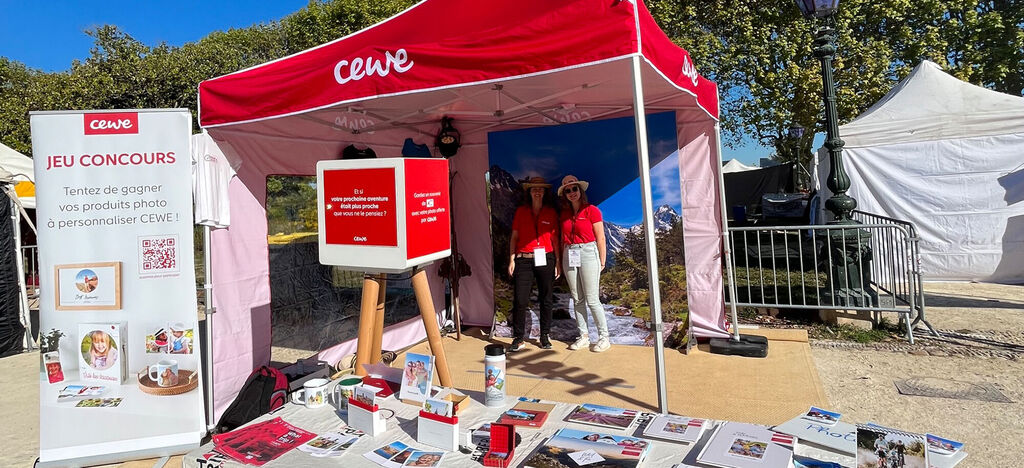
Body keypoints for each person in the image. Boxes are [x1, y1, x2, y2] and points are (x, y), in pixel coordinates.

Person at [557, 175, 609, 352]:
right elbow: (561, 239)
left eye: (574, 189)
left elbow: (600, 237)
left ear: (580, 190)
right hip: (569, 253)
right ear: (564, 194)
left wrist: (602, 260)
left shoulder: (592, 210)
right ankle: (584, 336)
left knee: (592, 299)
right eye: (568, 190)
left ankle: (604, 337)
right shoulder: (564, 214)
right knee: (577, 298)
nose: (572, 193)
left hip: (588, 252)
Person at [507, 176, 560, 352]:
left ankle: (544, 335)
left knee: (546, 298)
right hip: (524, 259)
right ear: (529, 191)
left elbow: (554, 239)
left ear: (545, 192)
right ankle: (519, 337)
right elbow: (514, 237)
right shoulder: (521, 211)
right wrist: (511, 259)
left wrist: (558, 262)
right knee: (520, 300)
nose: (537, 191)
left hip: (546, 258)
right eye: (534, 189)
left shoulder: (551, 212)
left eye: (540, 189)